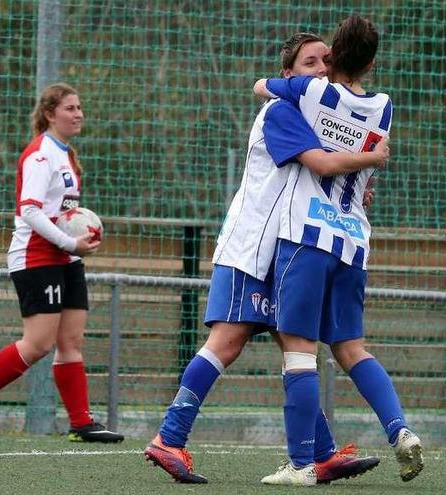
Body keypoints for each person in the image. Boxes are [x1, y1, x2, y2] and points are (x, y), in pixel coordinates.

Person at [143, 33, 387, 484]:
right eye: (309, 62)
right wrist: (368, 157)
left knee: (294, 349)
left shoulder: (318, 112)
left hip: (284, 251)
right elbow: (323, 164)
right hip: (251, 248)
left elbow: (337, 177)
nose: (320, 68)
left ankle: (324, 452)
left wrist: (359, 184)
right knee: (228, 342)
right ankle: (169, 438)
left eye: (325, 61)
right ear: (288, 75)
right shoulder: (284, 111)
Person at [254, 14, 424, 486]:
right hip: (352, 237)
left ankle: (302, 464)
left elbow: (261, 87)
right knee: (352, 347)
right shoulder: (384, 107)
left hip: (307, 234)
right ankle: (400, 430)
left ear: (330, 60)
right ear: (372, 62)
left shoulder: (310, 93)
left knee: (299, 348)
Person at [0, 83, 124, 444]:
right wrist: (67, 240)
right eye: (70, 108)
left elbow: (60, 211)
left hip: (66, 257)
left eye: (79, 108)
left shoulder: (67, 155)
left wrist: (78, 237)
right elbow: (28, 210)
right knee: (38, 343)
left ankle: (81, 422)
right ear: (49, 114)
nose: (78, 114)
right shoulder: (41, 155)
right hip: (37, 256)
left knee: (71, 340)